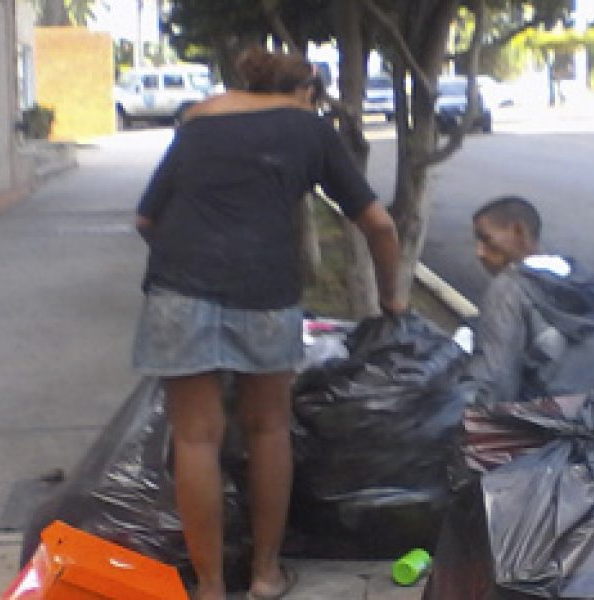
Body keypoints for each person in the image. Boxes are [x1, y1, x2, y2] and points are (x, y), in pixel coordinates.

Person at [133, 48, 406, 600]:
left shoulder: (197, 120)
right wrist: (391, 298)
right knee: (268, 429)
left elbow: (146, 218)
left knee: (195, 438)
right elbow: (377, 223)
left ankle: (209, 587)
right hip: (265, 290)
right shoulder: (309, 127)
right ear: (308, 90)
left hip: (178, 287)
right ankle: (264, 574)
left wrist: (188, 262)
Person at [465, 196, 594, 406]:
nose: (479, 252)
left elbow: (493, 382)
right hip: (579, 419)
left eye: (486, 239)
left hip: (528, 423)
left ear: (518, 232)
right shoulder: (577, 280)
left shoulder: (508, 288)